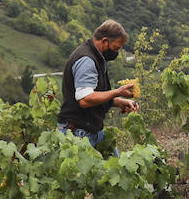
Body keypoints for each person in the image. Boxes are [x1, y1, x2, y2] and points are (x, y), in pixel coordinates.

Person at [57, 20, 138, 153]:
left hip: (93, 131)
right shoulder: (87, 61)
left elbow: (95, 94)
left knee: (115, 170)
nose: (117, 53)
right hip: (78, 133)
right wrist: (117, 92)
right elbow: (85, 99)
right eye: (116, 48)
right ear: (104, 41)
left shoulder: (98, 57)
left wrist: (119, 102)